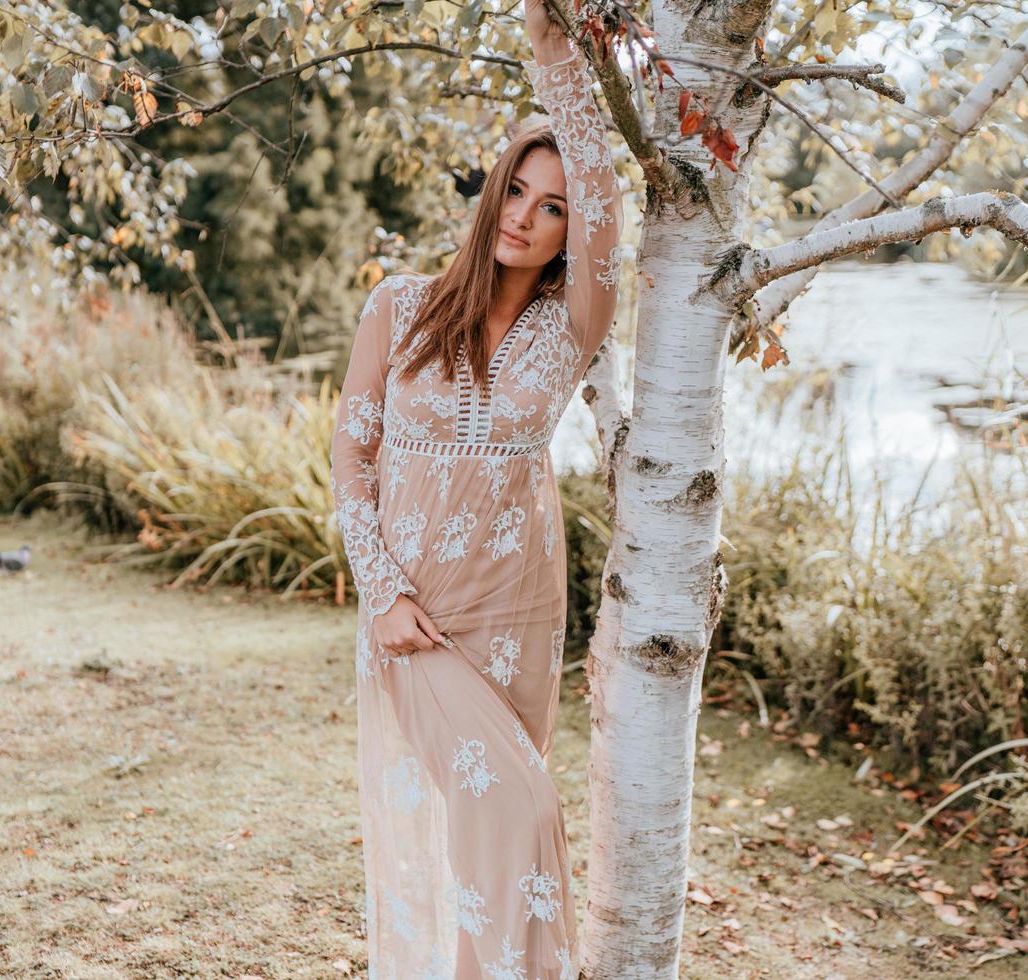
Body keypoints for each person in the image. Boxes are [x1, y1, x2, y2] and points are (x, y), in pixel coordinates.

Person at [329, 1, 621, 975]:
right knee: (523, 800)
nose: (527, 218)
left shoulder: (571, 326)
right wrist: (383, 588)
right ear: (491, 189)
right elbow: (352, 465)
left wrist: (563, 58)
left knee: (489, 833)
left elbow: (608, 201)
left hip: (518, 608)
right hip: (415, 608)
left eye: (554, 209)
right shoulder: (400, 308)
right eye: (517, 192)